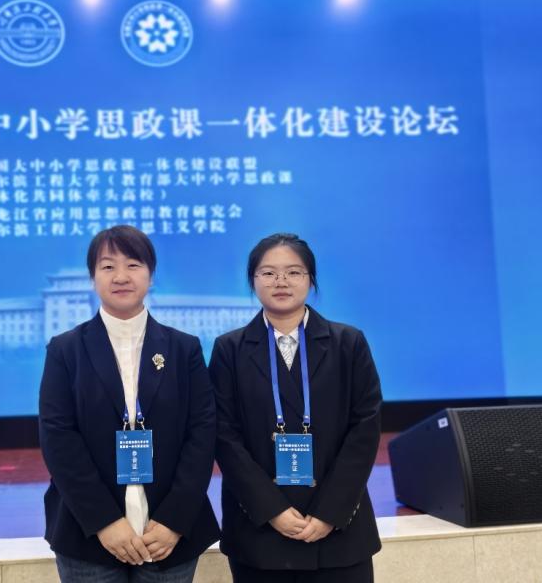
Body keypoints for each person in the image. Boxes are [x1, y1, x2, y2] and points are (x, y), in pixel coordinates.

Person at [39, 225, 220, 583]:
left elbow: (202, 434)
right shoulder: (65, 350)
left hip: (167, 536)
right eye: (108, 266)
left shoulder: (183, 349)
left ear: (151, 275)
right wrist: (104, 522)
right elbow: (58, 438)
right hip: (88, 535)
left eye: (133, 265)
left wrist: (173, 520)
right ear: (93, 277)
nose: (121, 276)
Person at [209, 233, 382, 582]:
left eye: (293, 272)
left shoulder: (348, 343)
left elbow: (365, 429)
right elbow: (224, 435)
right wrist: (271, 510)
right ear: (253, 280)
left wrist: (330, 512)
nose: (281, 281)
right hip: (259, 532)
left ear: (310, 279)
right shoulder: (230, 349)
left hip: (338, 531)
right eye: (268, 273)